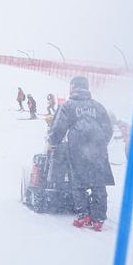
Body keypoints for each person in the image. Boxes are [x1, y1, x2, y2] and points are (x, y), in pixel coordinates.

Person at [47, 76, 114, 232]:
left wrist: (53, 143)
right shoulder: (98, 107)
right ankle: (98, 219)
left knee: (78, 183)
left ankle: (83, 215)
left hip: (77, 149)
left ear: (73, 88)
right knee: (98, 183)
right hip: (98, 150)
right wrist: (101, 144)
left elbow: (58, 129)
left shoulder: (68, 106)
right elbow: (108, 129)